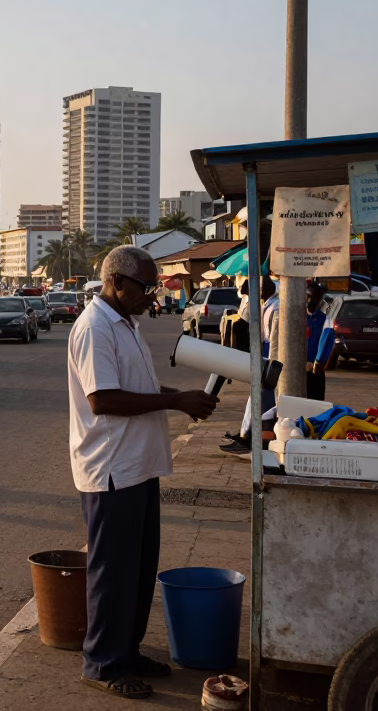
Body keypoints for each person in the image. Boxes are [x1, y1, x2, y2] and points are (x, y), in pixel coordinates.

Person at [69, 245, 218, 700]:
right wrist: (175, 401)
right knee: (112, 572)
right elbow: (104, 400)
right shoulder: (96, 327)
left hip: (137, 465)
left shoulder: (124, 324)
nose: (151, 296)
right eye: (145, 287)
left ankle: (126, 651)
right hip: (112, 469)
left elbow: (141, 390)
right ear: (116, 282)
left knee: (136, 571)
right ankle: (102, 662)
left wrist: (182, 396)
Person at [222, 277, 280, 455]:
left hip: (271, 358)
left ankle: (248, 436)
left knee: (260, 400)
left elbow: (274, 340)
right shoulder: (266, 306)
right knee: (258, 400)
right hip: (266, 355)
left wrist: (269, 364)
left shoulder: (275, 308)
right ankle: (246, 434)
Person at [305, 282, 335, 401]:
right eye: (309, 299)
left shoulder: (324, 319)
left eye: (314, 299)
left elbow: (327, 340)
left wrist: (318, 361)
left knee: (315, 400)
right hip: (297, 368)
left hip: (314, 368)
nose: (310, 302)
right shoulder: (297, 316)